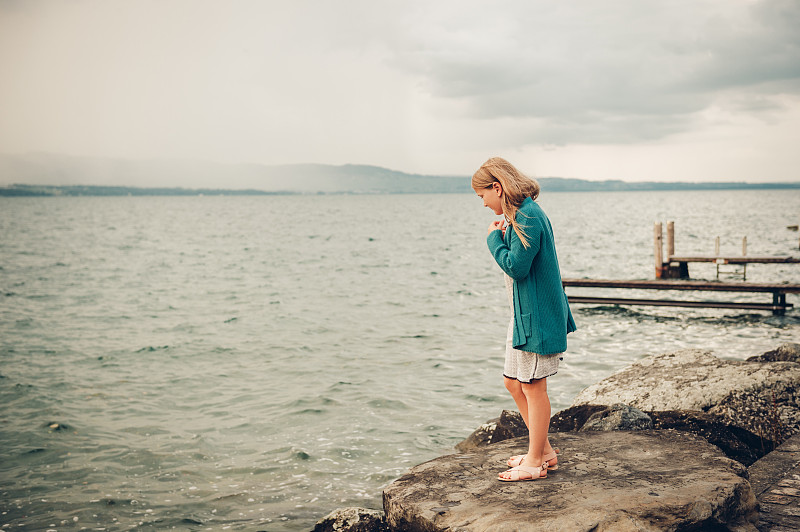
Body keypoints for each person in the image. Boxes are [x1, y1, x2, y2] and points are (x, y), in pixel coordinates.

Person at [472, 157, 576, 482]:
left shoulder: (528, 215)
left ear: (497, 188)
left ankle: (535, 462)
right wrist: (503, 235)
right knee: (513, 383)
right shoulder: (520, 215)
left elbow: (516, 267)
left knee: (533, 386)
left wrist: (493, 239)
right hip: (522, 316)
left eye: (482, 196)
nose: (484, 203)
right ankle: (543, 451)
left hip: (537, 318)